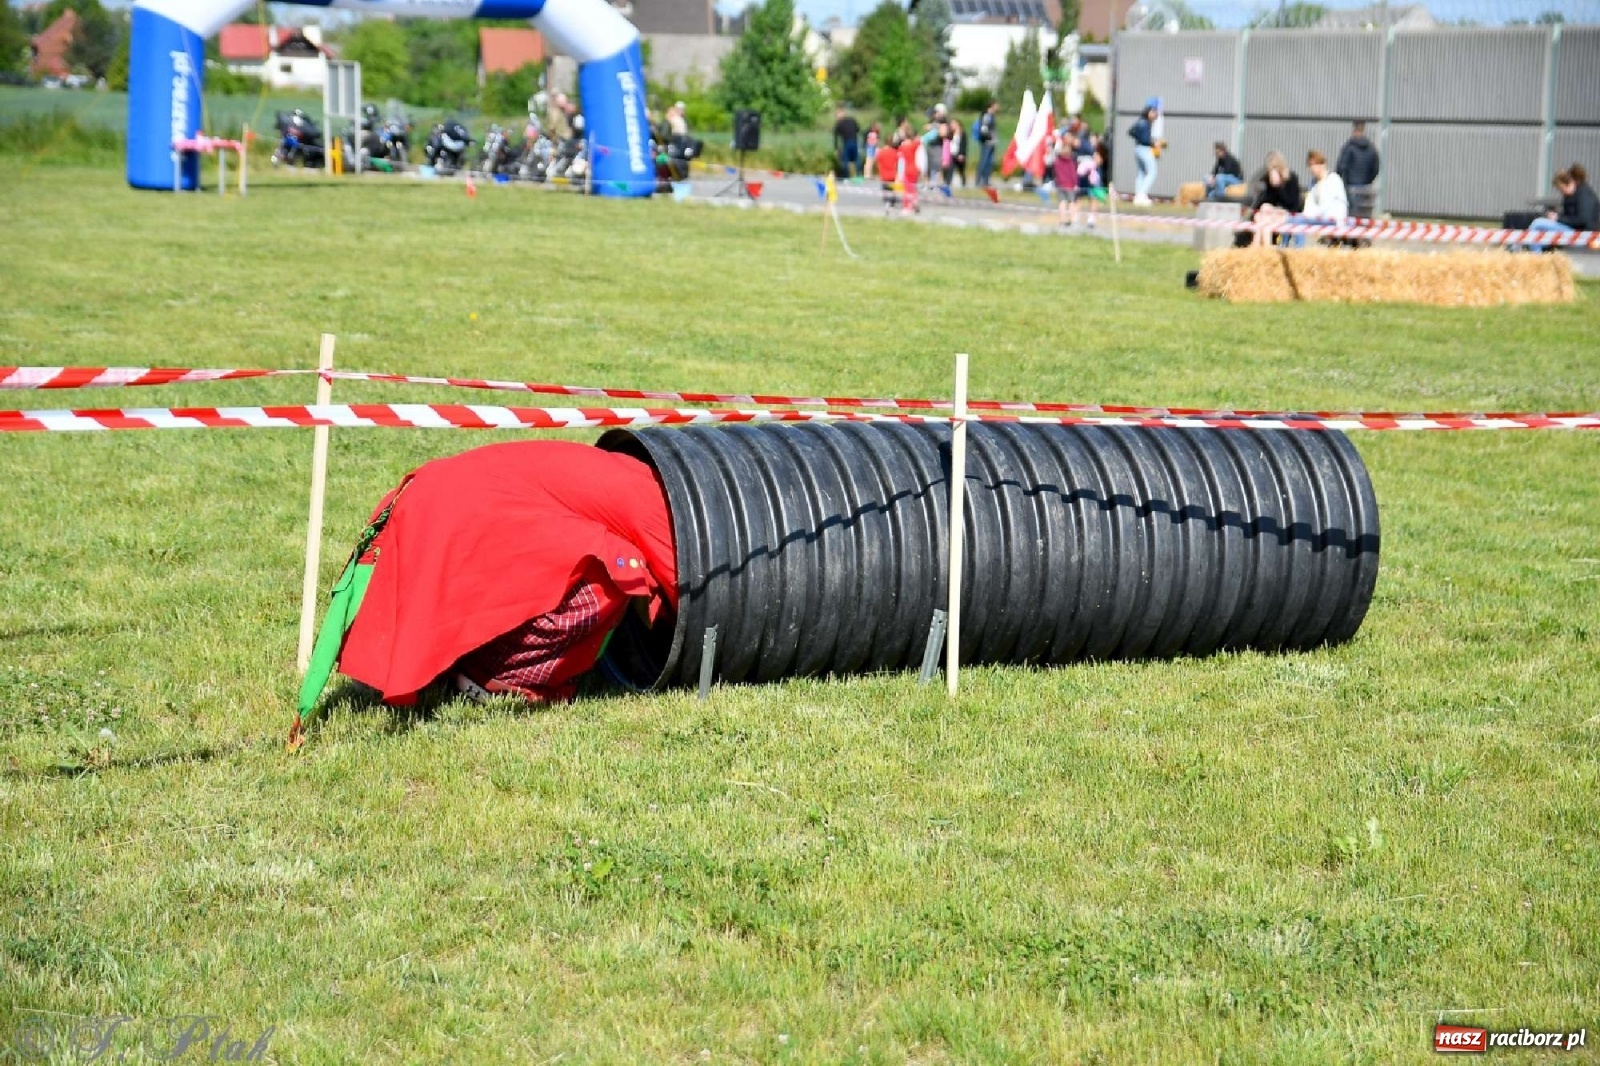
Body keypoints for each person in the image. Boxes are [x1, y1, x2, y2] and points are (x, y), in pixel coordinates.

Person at [294, 441, 677, 734]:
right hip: (455, 508)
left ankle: (457, 660)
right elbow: (686, 580)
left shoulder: (628, 474)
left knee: (516, 573)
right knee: (611, 571)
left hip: (446, 492)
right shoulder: (650, 503)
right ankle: (491, 677)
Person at [1524, 165, 1599, 250]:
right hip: (1574, 230)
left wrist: (1558, 218)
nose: (1561, 192)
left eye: (1561, 188)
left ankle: (1536, 258)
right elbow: (1570, 215)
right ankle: (1536, 253)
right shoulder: (1570, 196)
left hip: (1583, 234)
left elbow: (1583, 219)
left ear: (1568, 183)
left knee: (1537, 224)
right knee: (1539, 235)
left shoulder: (1584, 195)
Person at [1248, 150, 1303, 247]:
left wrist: (1278, 187)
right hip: (1273, 213)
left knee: (1264, 224)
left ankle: (1262, 248)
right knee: (1261, 215)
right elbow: (1268, 200)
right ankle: (1257, 248)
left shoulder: (1292, 179)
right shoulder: (1269, 179)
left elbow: (1291, 203)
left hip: (1289, 212)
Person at [1335, 120, 1380, 218]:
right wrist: (1368, 180)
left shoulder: (1348, 147)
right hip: (1366, 188)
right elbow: (1376, 168)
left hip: (1351, 187)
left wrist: (1339, 180)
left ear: (1353, 129)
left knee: (1352, 216)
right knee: (1365, 216)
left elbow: (1341, 167)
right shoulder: (1372, 148)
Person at [1127, 103, 1159, 205]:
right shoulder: (1145, 123)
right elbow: (1145, 139)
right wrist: (1153, 143)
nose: (1155, 114)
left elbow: (1130, 131)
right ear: (1148, 113)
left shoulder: (1140, 122)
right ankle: (1142, 194)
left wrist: (1138, 137)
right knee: (1152, 171)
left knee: (1141, 173)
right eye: (1153, 112)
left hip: (1137, 148)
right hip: (1144, 149)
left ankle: (1138, 196)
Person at [975, 101, 1000, 187]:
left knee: (989, 162)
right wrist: (990, 137)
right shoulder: (986, 116)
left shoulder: (992, 116)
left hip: (992, 142)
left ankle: (986, 180)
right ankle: (978, 181)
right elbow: (984, 129)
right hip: (986, 142)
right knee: (984, 161)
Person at [833, 106, 861, 178]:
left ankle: (846, 176)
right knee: (856, 159)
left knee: (845, 160)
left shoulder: (838, 124)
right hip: (854, 141)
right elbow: (858, 129)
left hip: (847, 142)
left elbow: (835, 137)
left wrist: (836, 148)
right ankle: (858, 176)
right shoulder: (852, 120)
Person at [878, 132, 902, 212]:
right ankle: (892, 204)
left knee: (885, 189)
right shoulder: (894, 152)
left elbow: (878, 162)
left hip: (883, 174)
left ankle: (886, 203)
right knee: (892, 190)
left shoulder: (881, 152)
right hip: (892, 174)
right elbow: (898, 161)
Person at [899, 132, 921, 214]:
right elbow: (919, 142)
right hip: (914, 169)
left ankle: (908, 206)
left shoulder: (902, 147)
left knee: (907, 189)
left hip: (906, 169)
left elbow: (900, 160)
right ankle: (915, 202)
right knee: (912, 188)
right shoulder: (913, 145)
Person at [949, 118, 967, 187]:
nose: (952, 125)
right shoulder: (951, 133)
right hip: (952, 153)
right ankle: (950, 182)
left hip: (959, 154)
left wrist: (962, 154)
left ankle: (963, 183)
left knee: (961, 170)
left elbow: (963, 144)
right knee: (951, 169)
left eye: (953, 124)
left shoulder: (962, 134)